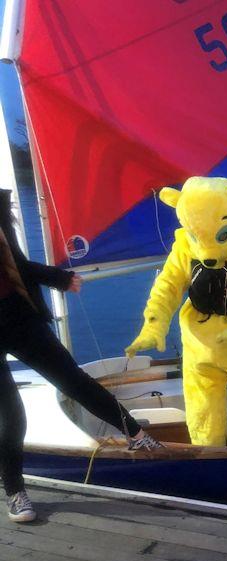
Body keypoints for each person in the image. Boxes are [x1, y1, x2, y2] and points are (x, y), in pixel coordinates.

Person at [0, 189, 163, 523]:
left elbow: (16, 264)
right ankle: (15, 490)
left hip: (17, 316)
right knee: (10, 413)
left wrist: (59, 278)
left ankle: (138, 437)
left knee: (74, 381)